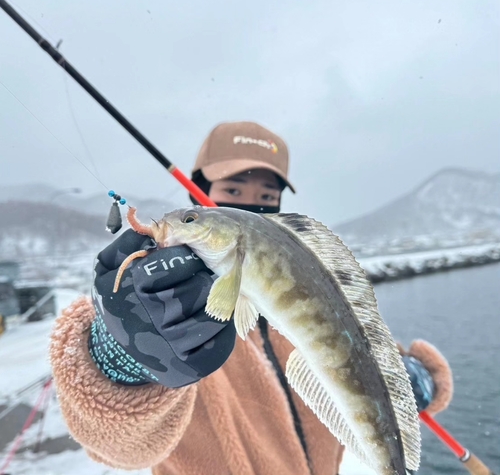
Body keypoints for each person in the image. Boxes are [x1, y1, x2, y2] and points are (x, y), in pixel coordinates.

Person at [50, 121, 453, 475]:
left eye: (267, 193)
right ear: (201, 190)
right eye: (234, 187)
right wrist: (122, 360)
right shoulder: (158, 299)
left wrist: (410, 378)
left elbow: (356, 347)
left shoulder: (294, 273)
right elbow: (114, 448)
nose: (253, 201)